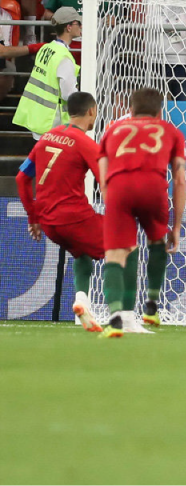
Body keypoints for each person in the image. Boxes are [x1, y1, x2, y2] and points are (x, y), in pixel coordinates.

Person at [97, 88, 186, 338]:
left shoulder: (113, 129)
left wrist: (112, 201)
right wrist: (177, 227)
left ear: (131, 110)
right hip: (153, 187)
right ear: (160, 111)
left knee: (115, 254)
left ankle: (116, 317)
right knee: (157, 241)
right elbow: (180, 180)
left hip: (119, 189)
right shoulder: (171, 131)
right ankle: (151, 305)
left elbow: (102, 172)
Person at [14, 92, 104, 333]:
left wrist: (33, 216)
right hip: (75, 218)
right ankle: (125, 317)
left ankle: (81, 302)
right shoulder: (86, 143)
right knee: (126, 247)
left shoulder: (46, 138)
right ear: (92, 111)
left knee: (82, 254)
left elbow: (21, 178)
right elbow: (106, 182)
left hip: (49, 223)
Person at [12, 7, 81, 139]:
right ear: (69, 27)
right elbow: (68, 95)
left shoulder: (46, 48)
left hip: (38, 116)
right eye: (78, 23)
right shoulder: (64, 57)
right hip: (52, 122)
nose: (81, 26)